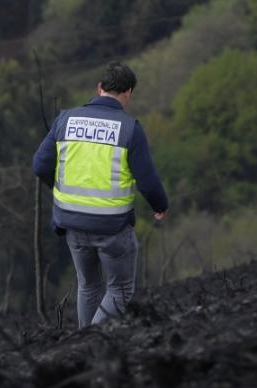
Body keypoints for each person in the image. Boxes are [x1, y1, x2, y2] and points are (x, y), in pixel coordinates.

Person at [33, 61, 169, 327]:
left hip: (71, 221)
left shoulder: (65, 119)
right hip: (112, 227)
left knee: (89, 286)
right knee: (120, 290)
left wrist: (59, 188)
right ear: (128, 93)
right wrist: (159, 205)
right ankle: (91, 341)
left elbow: (40, 165)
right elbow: (148, 179)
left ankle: (85, 347)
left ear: (99, 88)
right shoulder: (130, 129)